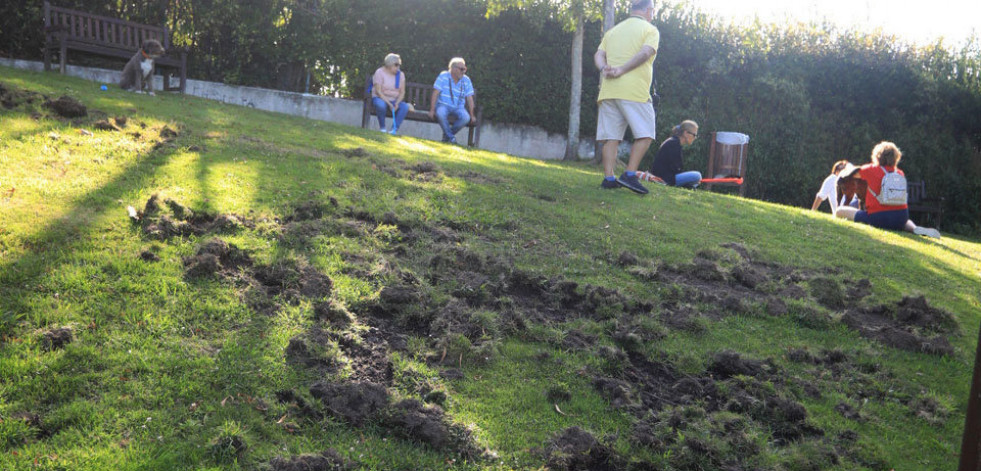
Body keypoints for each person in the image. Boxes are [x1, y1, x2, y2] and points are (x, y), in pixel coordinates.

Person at [593, 0, 660, 194]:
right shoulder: (650, 30)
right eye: (652, 11)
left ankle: (609, 178)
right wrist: (622, 69)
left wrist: (604, 68)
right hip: (634, 91)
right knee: (646, 134)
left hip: (608, 91)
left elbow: (598, 54)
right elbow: (646, 53)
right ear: (649, 10)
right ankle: (630, 175)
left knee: (611, 137)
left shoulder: (613, 31)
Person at [834, 141, 941, 239]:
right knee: (904, 222)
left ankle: (905, 226)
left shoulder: (871, 170)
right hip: (901, 218)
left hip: (878, 218)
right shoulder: (899, 173)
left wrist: (845, 169)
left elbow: (852, 174)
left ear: (877, 156)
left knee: (840, 211)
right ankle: (915, 229)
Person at [429, 57, 476, 144]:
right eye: (461, 69)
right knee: (440, 113)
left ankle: (447, 137)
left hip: (459, 108)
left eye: (464, 69)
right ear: (453, 69)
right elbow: (435, 93)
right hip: (443, 105)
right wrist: (432, 110)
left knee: (466, 118)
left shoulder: (466, 80)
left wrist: (472, 115)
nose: (463, 71)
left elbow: (470, 98)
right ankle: (451, 138)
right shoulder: (443, 76)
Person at [649, 120, 703, 189]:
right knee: (697, 176)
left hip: (666, 176)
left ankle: (688, 186)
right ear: (686, 133)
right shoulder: (674, 144)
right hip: (665, 178)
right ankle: (687, 186)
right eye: (694, 135)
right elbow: (676, 168)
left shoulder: (674, 142)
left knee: (695, 178)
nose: (695, 138)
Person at [372, 53, 409, 135]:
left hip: (394, 100)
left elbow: (402, 92)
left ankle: (394, 130)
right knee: (381, 105)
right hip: (381, 98)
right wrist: (389, 104)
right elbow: (378, 92)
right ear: (389, 64)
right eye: (396, 65)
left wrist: (397, 103)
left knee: (405, 107)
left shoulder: (401, 75)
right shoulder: (379, 72)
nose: (398, 67)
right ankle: (383, 128)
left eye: (399, 65)